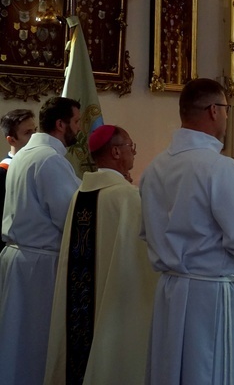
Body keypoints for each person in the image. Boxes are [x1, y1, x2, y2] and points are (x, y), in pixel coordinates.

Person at [140, 78, 234, 385]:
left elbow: (147, 231)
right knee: (210, 373)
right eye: (226, 109)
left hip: (170, 290)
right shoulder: (219, 168)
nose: (227, 117)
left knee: (170, 371)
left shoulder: (154, 168)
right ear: (214, 110)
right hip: (210, 295)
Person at [44, 125, 158, 385]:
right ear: (116, 151)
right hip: (117, 301)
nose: (134, 152)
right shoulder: (128, 197)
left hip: (81, 304)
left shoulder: (80, 194)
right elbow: (143, 257)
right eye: (131, 146)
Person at [0, 96, 81, 385]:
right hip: (40, 266)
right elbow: (70, 216)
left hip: (19, 259)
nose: (79, 129)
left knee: (15, 341)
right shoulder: (49, 161)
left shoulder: (22, 155)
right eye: (76, 122)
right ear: (61, 125)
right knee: (37, 344)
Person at [0, 108, 37, 251]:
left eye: (35, 130)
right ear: (11, 140)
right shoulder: (4, 171)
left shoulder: (40, 165)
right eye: (28, 133)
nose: (35, 137)